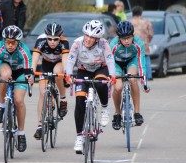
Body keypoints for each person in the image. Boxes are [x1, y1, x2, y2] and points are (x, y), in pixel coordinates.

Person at [65, 20, 116, 153]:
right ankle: (80, 137)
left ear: (97, 39)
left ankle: (104, 109)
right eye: (86, 35)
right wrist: (69, 74)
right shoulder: (77, 43)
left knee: (100, 83)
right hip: (84, 70)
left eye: (92, 37)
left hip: (100, 69)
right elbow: (70, 60)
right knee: (80, 101)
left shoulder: (104, 44)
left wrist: (112, 75)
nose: (88, 39)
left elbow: (110, 60)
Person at [0, 25, 33, 152]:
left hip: (20, 72)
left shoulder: (24, 50)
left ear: (18, 42)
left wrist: (30, 78)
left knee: (19, 101)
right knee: (5, 75)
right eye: (7, 42)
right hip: (5, 67)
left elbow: (28, 71)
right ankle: (1, 106)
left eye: (13, 42)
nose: (10, 45)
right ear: (3, 41)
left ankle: (21, 134)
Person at [110, 21, 150, 131]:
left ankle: (137, 113)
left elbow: (141, 64)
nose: (126, 41)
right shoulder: (113, 45)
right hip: (117, 64)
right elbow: (110, 64)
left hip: (131, 62)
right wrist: (110, 79)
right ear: (119, 38)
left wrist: (144, 82)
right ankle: (117, 114)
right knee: (118, 87)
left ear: (133, 35)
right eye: (123, 38)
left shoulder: (138, 44)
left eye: (129, 37)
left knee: (132, 79)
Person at [32, 22, 69, 140]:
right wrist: (31, 73)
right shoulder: (41, 41)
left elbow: (65, 61)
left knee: (58, 73)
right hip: (46, 64)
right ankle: (39, 126)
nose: (52, 41)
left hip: (58, 63)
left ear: (60, 37)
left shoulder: (64, 42)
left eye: (55, 39)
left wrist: (67, 75)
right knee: (43, 94)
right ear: (46, 36)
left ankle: (63, 99)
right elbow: (34, 60)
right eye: (50, 39)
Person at [130, 5, 154, 80]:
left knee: (133, 59)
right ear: (141, 13)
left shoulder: (130, 22)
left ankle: (134, 74)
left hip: (132, 43)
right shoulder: (146, 22)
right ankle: (149, 75)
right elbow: (151, 34)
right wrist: (148, 40)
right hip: (144, 43)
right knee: (146, 58)